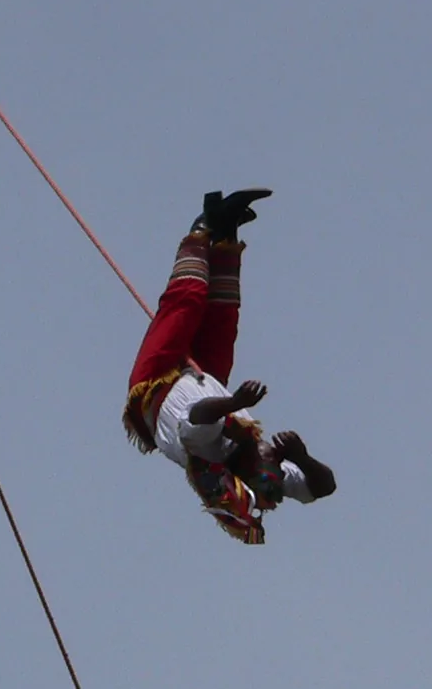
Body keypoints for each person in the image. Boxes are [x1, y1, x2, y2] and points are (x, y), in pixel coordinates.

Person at [123, 190, 334, 543]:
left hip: (156, 381)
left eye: (267, 457)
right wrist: (303, 456)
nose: (273, 451)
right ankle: (226, 233)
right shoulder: (271, 472)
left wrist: (235, 404)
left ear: (248, 467)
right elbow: (324, 487)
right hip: (205, 376)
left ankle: (201, 232)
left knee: (186, 303)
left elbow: (201, 415)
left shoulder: (211, 451)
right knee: (224, 318)